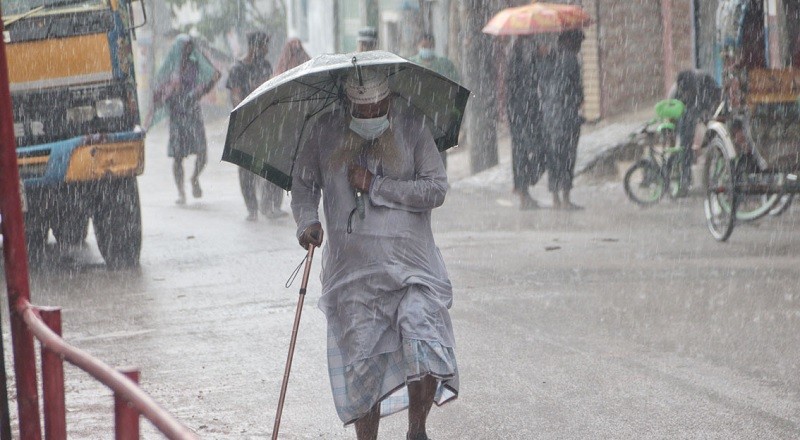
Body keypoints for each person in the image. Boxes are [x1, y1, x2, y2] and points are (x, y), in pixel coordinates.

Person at [291, 67, 458, 440]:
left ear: (389, 100)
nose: (369, 117)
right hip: (353, 277)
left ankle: (417, 429)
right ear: (348, 104)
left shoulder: (412, 127)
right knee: (362, 365)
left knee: (424, 338)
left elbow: (436, 189)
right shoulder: (324, 132)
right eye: (361, 111)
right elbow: (302, 186)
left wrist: (377, 185)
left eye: (377, 109)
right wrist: (307, 222)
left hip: (413, 269)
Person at [152, 34, 220, 205]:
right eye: (185, 46)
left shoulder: (196, 63)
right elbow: (158, 91)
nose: (188, 49)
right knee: (177, 156)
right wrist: (169, 92)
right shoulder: (169, 68)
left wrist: (200, 91)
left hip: (193, 112)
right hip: (177, 114)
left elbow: (213, 76)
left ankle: (194, 178)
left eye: (191, 46)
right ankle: (181, 192)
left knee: (202, 153)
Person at [226, 31, 286, 221]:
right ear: (255, 47)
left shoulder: (265, 66)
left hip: (266, 123)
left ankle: (269, 205)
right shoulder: (238, 69)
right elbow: (235, 97)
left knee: (273, 163)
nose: (267, 51)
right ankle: (252, 209)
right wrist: (247, 114)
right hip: (246, 124)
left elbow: (271, 89)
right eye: (264, 46)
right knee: (246, 168)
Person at [538, 30, 585, 210]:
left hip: (549, 117)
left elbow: (541, 85)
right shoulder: (571, 60)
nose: (579, 47)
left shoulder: (547, 58)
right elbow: (577, 90)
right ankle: (565, 197)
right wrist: (577, 99)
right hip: (567, 117)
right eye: (578, 43)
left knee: (554, 157)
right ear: (570, 42)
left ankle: (555, 198)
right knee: (567, 157)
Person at [505, 36, 547, 210]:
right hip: (520, 115)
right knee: (524, 152)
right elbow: (515, 88)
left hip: (531, 113)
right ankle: (523, 188)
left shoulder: (529, 58)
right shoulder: (515, 60)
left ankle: (523, 185)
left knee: (538, 151)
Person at [409, 33, 460, 169]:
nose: (427, 49)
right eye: (424, 46)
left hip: (439, 117)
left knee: (439, 151)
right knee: (419, 152)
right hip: (418, 116)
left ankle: (440, 179)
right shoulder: (411, 65)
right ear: (418, 46)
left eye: (430, 46)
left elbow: (455, 87)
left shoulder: (445, 65)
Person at [670, 69, 721, 195]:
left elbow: (718, 99)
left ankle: (717, 173)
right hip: (689, 112)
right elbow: (673, 120)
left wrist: (710, 115)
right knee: (685, 141)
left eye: (689, 92)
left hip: (707, 108)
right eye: (685, 93)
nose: (687, 94)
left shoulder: (706, 81)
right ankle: (685, 179)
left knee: (716, 136)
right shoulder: (675, 94)